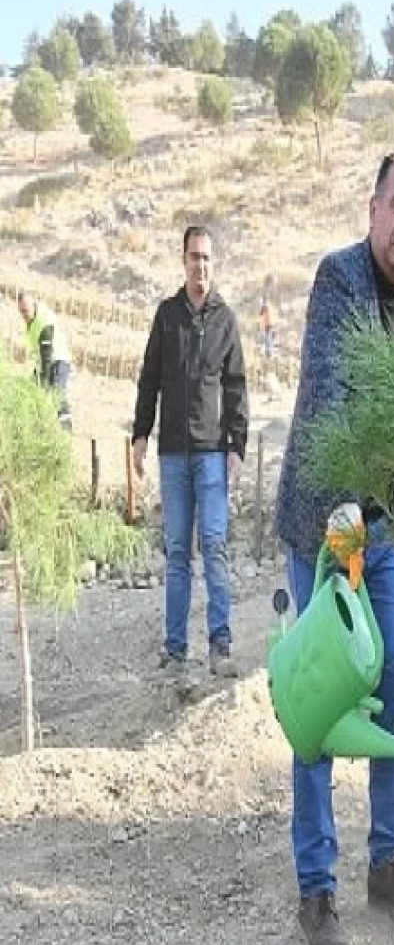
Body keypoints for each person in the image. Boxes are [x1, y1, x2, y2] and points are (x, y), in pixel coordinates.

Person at [275, 152, 394, 945]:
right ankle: (316, 888)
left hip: (378, 528)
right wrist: (342, 523)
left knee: (393, 689)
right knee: (317, 699)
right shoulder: (337, 282)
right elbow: (332, 400)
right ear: (372, 209)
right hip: (322, 525)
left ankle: (385, 860)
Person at [132, 227, 248, 687]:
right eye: (194, 257)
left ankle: (221, 645)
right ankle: (176, 652)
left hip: (213, 456)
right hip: (173, 457)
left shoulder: (226, 320)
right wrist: (140, 433)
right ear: (182, 261)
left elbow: (236, 386)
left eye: (207, 258)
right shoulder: (166, 316)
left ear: (213, 264)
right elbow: (149, 379)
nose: (200, 266)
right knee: (178, 552)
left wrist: (237, 446)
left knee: (215, 547)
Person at [17, 290, 72, 428]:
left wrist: (44, 382)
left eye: (25, 310)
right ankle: (34, 428)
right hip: (43, 360)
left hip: (58, 360)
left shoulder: (44, 321)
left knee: (57, 394)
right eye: (21, 311)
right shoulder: (32, 319)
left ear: (33, 305)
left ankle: (66, 433)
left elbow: (46, 358)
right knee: (29, 392)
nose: (23, 315)